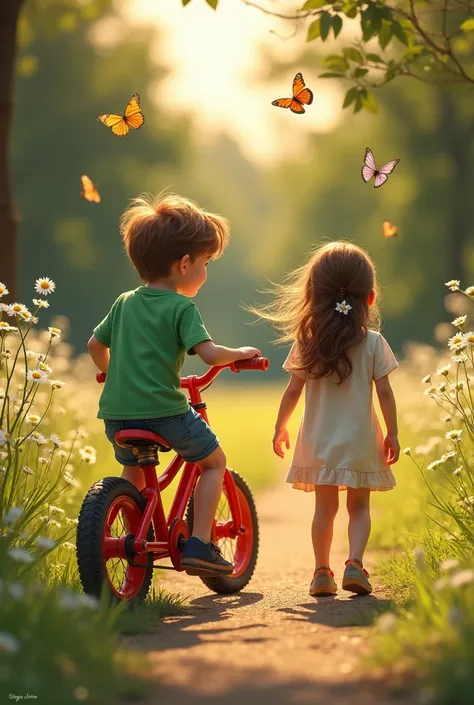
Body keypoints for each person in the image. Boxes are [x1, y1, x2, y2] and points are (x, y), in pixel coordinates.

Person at [87, 193, 260, 577]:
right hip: (164, 413)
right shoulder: (182, 308)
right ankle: (200, 543)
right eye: (205, 263)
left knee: (132, 475)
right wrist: (243, 352)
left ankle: (135, 533)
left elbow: (95, 346)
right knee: (214, 462)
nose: (206, 271)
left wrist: (112, 372)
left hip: (117, 416)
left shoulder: (124, 303)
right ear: (184, 265)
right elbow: (211, 355)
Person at [256, 241, 399, 597]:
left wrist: (280, 426)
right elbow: (384, 393)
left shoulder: (308, 342)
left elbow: (292, 391)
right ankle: (354, 563)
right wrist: (392, 433)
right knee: (359, 506)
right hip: (362, 439)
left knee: (325, 509)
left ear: (313, 295)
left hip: (319, 439)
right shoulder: (373, 342)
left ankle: (322, 571)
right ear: (369, 298)